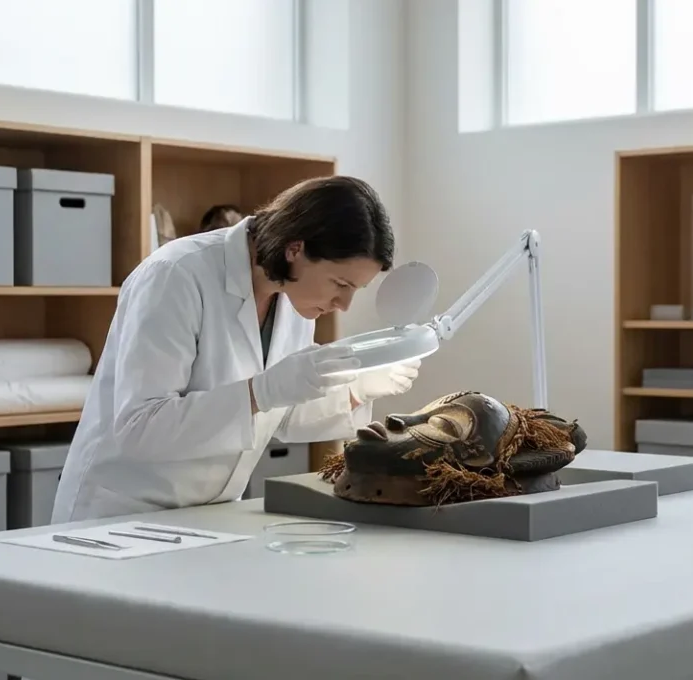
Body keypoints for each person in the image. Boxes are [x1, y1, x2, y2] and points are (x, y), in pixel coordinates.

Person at [52, 176, 419, 522]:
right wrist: (260, 391)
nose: (344, 305)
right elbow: (140, 429)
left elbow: (277, 415)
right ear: (296, 248)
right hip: (122, 514)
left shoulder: (292, 297)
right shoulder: (176, 274)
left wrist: (355, 391)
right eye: (340, 284)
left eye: (355, 289)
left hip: (209, 513)